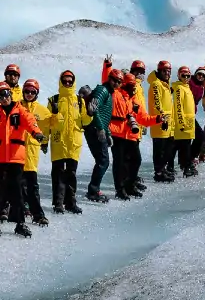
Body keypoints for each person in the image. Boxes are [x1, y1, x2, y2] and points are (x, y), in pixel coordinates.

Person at [0, 83, 43, 236]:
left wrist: (37, 133)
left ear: (11, 94)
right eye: (0, 95)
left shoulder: (21, 111)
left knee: (17, 192)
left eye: (6, 94)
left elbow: (31, 123)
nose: (4, 98)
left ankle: (20, 223)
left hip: (16, 158)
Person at [109, 70, 158, 199]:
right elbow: (107, 80)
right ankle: (120, 190)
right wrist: (107, 65)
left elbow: (143, 118)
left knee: (136, 160)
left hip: (131, 135)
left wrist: (158, 119)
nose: (132, 86)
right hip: (117, 134)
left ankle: (130, 185)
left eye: (133, 84)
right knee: (119, 163)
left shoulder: (135, 100)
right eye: (129, 84)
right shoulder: (116, 94)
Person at [47, 69, 89, 213]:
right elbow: (48, 124)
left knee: (71, 173)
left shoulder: (79, 100)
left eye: (70, 81)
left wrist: (90, 113)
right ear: (61, 81)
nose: (67, 83)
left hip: (74, 143)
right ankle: (58, 203)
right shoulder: (54, 100)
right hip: (59, 142)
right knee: (58, 174)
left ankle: (71, 202)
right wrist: (54, 114)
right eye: (64, 80)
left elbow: (85, 121)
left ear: (74, 82)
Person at [20, 78, 52, 225]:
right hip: (17, 153)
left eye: (32, 92)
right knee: (17, 184)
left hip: (32, 153)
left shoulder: (42, 110)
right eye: (27, 91)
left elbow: (52, 125)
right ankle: (16, 211)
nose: (29, 94)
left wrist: (57, 113)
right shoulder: (17, 106)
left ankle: (38, 214)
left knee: (32, 186)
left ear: (37, 93)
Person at [81, 72, 113, 203]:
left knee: (102, 160)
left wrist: (108, 132)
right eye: (114, 80)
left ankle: (94, 189)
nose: (116, 83)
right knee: (103, 161)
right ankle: (93, 191)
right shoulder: (103, 90)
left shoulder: (106, 91)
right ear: (109, 79)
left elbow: (103, 115)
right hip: (95, 130)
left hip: (96, 129)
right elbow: (95, 111)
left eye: (119, 81)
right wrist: (101, 129)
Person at [147, 61, 176, 181]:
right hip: (160, 121)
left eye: (169, 71)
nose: (167, 73)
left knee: (168, 149)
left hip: (168, 122)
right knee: (160, 149)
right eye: (164, 71)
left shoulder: (165, 85)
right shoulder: (156, 84)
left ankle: (162, 169)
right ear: (159, 71)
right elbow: (156, 103)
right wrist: (162, 117)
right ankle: (158, 173)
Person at [172, 67, 199, 177]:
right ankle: (186, 167)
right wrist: (181, 123)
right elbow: (178, 106)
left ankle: (184, 166)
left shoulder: (186, 87)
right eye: (184, 75)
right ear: (179, 76)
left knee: (184, 146)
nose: (186, 78)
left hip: (189, 122)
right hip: (183, 123)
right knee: (184, 147)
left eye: (188, 76)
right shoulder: (179, 88)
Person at [190, 67, 205, 160]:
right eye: (199, 74)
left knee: (199, 136)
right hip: (183, 114)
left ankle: (191, 157)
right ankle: (189, 159)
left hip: (191, 114)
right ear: (195, 74)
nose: (201, 76)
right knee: (199, 135)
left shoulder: (201, 88)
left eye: (203, 75)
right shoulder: (189, 82)